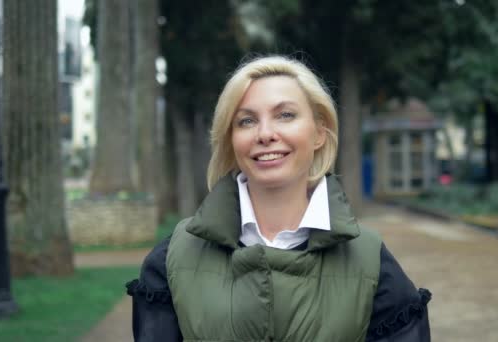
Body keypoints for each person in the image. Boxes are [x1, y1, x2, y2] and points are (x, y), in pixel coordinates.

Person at [126, 55, 432, 341]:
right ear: (231, 141)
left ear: (319, 132)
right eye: (246, 121)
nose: (265, 133)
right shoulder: (172, 259)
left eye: (285, 115)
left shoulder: (372, 262)